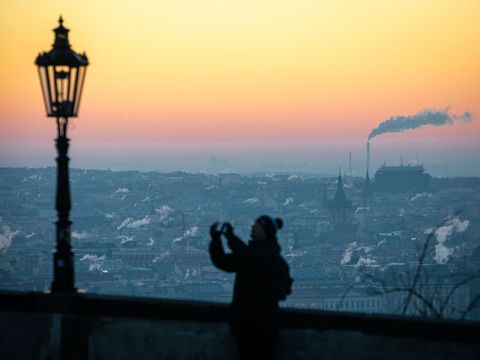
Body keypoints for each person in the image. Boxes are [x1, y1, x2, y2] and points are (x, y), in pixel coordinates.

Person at [209, 215, 293, 360]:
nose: (253, 227)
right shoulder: (255, 254)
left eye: (257, 225)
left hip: (260, 324)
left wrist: (231, 238)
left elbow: (253, 261)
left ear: (266, 231)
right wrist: (216, 240)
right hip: (249, 323)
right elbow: (223, 262)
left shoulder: (270, 258)